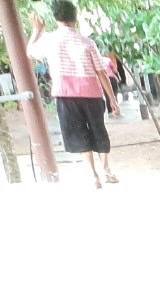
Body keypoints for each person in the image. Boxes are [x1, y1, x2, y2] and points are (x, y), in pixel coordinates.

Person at [27, 2, 119, 188]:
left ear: (55, 18)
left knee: (79, 134)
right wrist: (112, 98)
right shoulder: (87, 42)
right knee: (98, 130)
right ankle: (107, 170)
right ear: (75, 18)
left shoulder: (50, 40)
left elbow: (30, 52)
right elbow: (101, 72)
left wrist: (37, 30)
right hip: (92, 94)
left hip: (65, 94)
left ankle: (93, 175)